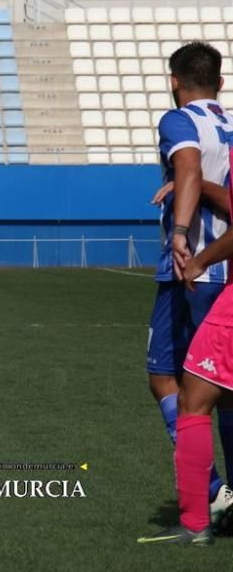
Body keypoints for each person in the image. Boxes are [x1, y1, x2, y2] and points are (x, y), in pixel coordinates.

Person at [138, 42, 233, 544]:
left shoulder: (179, 122)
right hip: (225, 272)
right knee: (227, 393)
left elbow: (192, 169)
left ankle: (212, 491)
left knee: (165, 379)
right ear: (219, 82)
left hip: (192, 270)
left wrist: (179, 233)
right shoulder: (230, 126)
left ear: (175, 80)